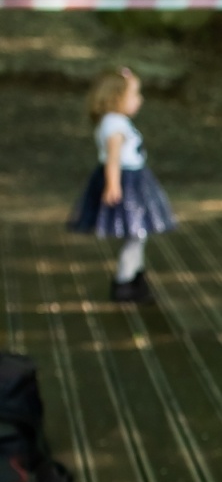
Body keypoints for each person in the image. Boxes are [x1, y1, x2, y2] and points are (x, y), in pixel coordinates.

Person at [68, 67, 175, 304]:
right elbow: (113, 158)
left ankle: (134, 275)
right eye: (135, 95)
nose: (140, 100)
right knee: (135, 234)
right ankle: (125, 281)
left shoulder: (118, 121)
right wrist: (113, 185)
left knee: (138, 234)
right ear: (117, 98)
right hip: (127, 184)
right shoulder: (114, 125)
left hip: (135, 180)